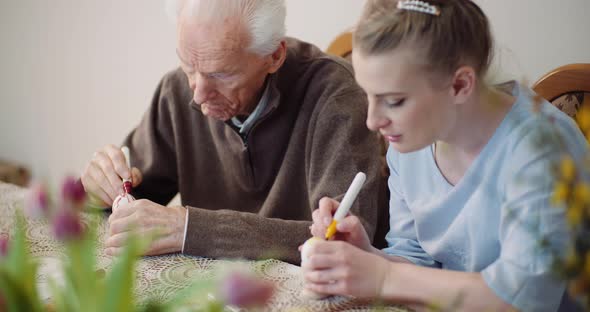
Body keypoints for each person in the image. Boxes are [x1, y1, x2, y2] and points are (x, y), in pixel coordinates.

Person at [302, 0, 587, 310]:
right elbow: (417, 260)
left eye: (394, 101)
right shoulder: (412, 140)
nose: (372, 121)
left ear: (459, 85)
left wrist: (384, 276)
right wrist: (368, 257)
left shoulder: (543, 151)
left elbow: (523, 299)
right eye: (368, 95)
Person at [79, 0, 388, 264]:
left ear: (274, 57)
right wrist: (103, 191)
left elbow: (344, 237)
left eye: (220, 74)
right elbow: (136, 199)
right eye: (188, 64)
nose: (198, 94)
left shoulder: (335, 95)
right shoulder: (176, 91)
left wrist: (191, 229)